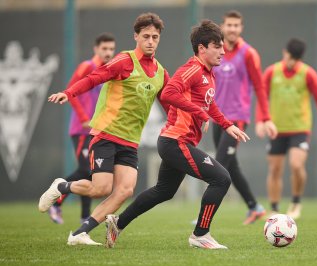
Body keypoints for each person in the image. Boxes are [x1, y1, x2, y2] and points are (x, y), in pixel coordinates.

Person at [104, 20, 250, 250]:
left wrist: (226, 124)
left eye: (223, 46)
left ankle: (118, 222)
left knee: (164, 191)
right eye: (217, 46)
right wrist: (197, 112)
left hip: (175, 141)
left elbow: (209, 105)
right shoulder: (192, 69)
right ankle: (200, 234)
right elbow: (170, 92)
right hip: (175, 141)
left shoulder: (209, 74)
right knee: (221, 178)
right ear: (202, 48)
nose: (223, 51)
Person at [38, 12, 170, 245]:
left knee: (125, 190)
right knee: (101, 188)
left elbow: (171, 103)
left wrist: (186, 121)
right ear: (136, 37)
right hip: (106, 134)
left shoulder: (160, 73)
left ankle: (79, 233)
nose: (151, 41)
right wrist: (68, 93)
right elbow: (94, 78)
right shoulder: (124, 60)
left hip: (130, 141)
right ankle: (61, 186)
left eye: (155, 37)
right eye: (146, 36)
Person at [212, 10, 277, 225]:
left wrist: (265, 117)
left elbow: (259, 85)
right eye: (229, 25)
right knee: (230, 166)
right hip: (217, 117)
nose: (232, 29)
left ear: (241, 28)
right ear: (222, 26)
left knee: (219, 165)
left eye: (236, 25)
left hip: (237, 118)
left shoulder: (249, 53)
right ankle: (254, 206)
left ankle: (206, 213)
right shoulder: (215, 51)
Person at [256, 38, 317, 219]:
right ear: (285, 53)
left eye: (296, 59)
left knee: (296, 165)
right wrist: (261, 120)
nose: (292, 62)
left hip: (300, 128)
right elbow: (262, 97)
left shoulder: (308, 74)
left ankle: (296, 202)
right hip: (276, 129)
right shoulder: (271, 72)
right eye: (290, 57)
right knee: (275, 169)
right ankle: (274, 209)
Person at [48, 33, 116, 225]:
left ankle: (84, 216)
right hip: (81, 130)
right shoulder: (88, 66)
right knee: (86, 169)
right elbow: (71, 90)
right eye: (104, 49)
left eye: (111, 49)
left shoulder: (108, 71)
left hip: (96, 130)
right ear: (96, 49)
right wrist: (85, 118)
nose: (108, 52)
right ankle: (56, 200)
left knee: (91, 173)